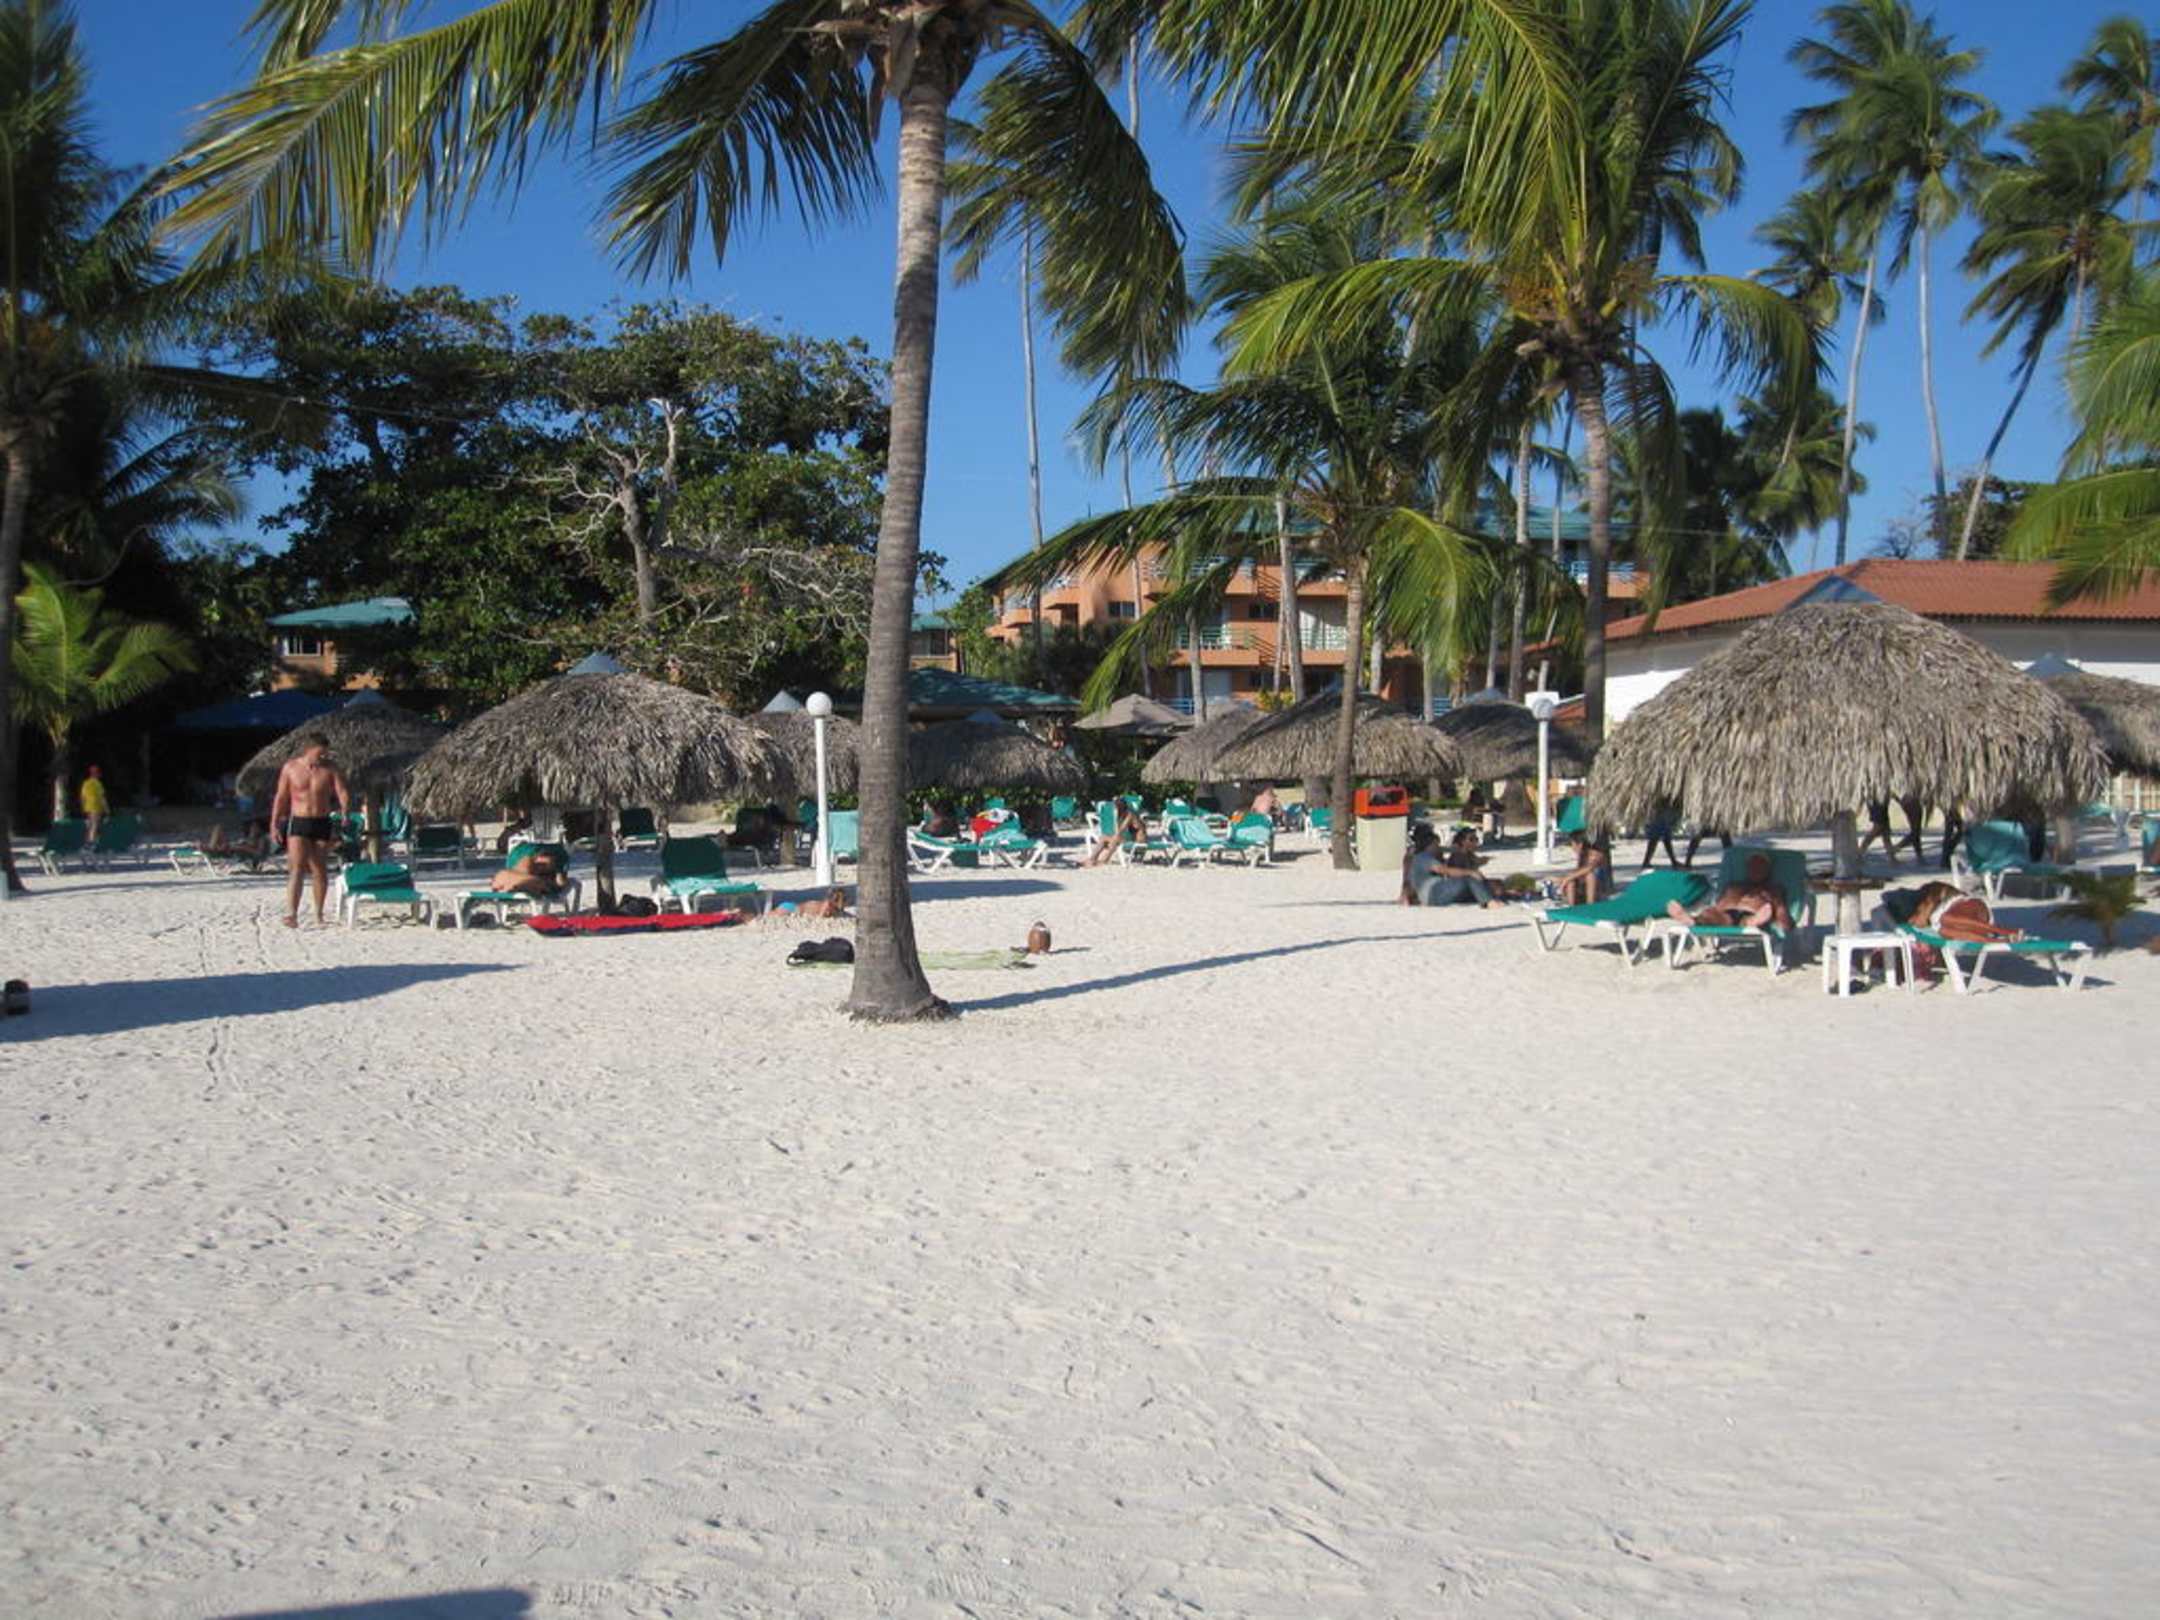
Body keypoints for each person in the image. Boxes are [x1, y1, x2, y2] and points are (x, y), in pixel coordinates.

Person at [270, 734, 352, 927]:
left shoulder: (330, 768)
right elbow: (281, 797)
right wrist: (274, 823)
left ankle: (318, 914)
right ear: (309, 750)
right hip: (299, 821)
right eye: (320, 753)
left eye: (325, 753)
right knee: (297, 868)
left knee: (319, 868)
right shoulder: (291, 768)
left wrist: (345, 810)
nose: (323, 756)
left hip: (322, 821)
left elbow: (342, 791)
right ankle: (292, 914)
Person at [1668, 851, 1789, 930]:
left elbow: (1782, 913)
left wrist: (1782, 922)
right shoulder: (1735, 886)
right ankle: (1693, 921)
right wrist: (1712, 912)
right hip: (1726, 915)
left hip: (1753, 913)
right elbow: (1719, 905)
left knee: (1748, 920)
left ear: (1768, 870)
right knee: (1710, 914)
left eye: (1760, 866)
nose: (1755, 869)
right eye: (1752, 866)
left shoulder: (1773, 890)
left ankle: (1753, 921)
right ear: (1747, 868)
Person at [1416, 827, 1505, 909]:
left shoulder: (1467, 855)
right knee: (1472, 879)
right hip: (1435, 893)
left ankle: (1494, 898)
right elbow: (1445, 871)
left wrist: (1479, 864)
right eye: (1471, 839)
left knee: (1495, 884)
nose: (1439, 847)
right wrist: (1471, 872)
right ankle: (1488, 902)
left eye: (1476, 839)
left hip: (1443, 890)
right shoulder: (1424, 857)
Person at [1552, 831, 1611, 907]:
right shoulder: (1583, 855)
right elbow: (1578, 874)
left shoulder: (1596, 854)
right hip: (1582, 891)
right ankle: (1572, 908)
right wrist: (1561, 879)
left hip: (1598, 893)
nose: (1572, 848)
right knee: (1571, 881)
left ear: (1580, 844)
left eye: (1572, 844)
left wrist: (1566, 879)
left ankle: (1590, 906)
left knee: (1590, 876)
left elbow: (1589, 868)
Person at [491, 843, 568, 897]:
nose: (540, 866)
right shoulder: (526, 862)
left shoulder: (545, 876)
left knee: (533, 881)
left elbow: (560, 883)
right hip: (517, 879)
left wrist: (558, 872)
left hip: (520, 881)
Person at [1085, 801, 1148, 867]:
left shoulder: (1130, 815)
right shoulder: (1125, 815)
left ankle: (1104, 860)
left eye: (1115, 809)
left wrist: (1115, 817)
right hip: (1133, 841)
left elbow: (1120, 831)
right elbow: (1118, 830)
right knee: (1104, 837)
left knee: (1115, 838)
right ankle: (1092, 859)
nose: (1114, 811)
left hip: (1140, 843)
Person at [1639, 803, 1680, 868]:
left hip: (1663, 810)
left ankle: (1673, 861)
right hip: (1660, 810)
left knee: (1665, 837)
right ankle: (1646, 862)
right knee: (1656, 837)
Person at [78, 765, 109, 844]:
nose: (99, 775)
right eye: (98, 773)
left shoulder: (86, 783)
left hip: (87, 807)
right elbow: (102, 798)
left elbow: (82, 797)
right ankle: (91, 842)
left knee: (90, 825)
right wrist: (107, 809)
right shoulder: (98, 784)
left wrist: (83, 808)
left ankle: (87, 841)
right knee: (95, 825)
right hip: (96, 807)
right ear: (96, 774)